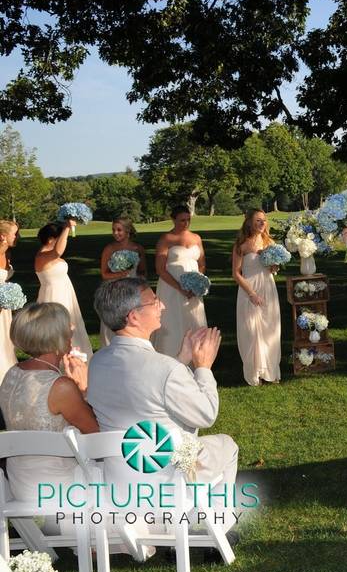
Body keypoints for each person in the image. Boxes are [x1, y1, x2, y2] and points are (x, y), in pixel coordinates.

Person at [89, 278, 237, 507]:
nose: (163, 306)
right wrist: (204, 368)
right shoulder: (165, 369)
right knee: (227, 446)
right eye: (154, 301)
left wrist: (181, 360)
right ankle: (218, 529)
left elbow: (145, 389)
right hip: (168, 477)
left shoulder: (97, 362)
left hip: (120, 479)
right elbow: (206, 415)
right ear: (133, 317)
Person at [0, 302, 98, 503]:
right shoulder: (61, 386)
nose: (72, 329)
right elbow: (96, 435)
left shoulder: (13, 373)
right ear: (56, 337)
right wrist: (85, 389)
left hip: (21, 482)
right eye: (67, 327)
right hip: (60, 486)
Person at [233, 209, 281, 386]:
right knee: (252, 330)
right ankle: (255, 372)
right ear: (249, 223)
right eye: (258, 220)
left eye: (264, 220)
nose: (262, 223)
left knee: (270, 330)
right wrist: (251, 293)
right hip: (249, 290)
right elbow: (236, 274)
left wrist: (274, 264)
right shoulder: (241, 244)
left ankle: (270, 370)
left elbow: (274, 270)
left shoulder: (270, 242)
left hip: (268, 288)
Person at [152, 205, 207, 357]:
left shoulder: (196, 238)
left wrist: (197, 284)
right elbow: (160, 269)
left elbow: (201, 264)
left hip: (193, 289)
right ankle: (172, 358)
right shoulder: (166, 239)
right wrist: (180, 288)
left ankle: (196, 359)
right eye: (182, 220)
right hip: (171, 287)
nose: (186, 223)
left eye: (188, 220)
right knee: (173, 323)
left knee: (194, 321)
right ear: (173, 219)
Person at [35, 220, 94, 361]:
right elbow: (59, 251)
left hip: (65, 294)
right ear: (50, 239)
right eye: (58, 237)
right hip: (54, 297)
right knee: (60, 329)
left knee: (72, 326)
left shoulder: (49, 255)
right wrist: (67, 228)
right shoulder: (42, 256)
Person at [98, 216, 148, 347]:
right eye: (113, 230)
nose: (115, 233)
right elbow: (104, 274)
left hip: (133, 291)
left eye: (119, 230)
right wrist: (122, 273)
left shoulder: (138, 249)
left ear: (128, 231)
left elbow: (142, 271)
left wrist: (141, 285)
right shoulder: (109, 249)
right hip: (115, 290)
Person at [0, 219, 20, 376]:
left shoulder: (8, 253)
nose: (18, 236)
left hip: (5, 308)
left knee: (7, 341)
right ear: (3, 237)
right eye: (15, 233)